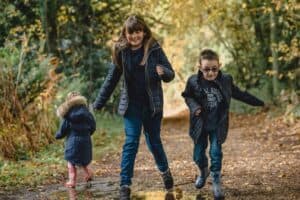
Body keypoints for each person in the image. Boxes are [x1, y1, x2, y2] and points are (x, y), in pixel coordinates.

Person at [93, 15, 175, 200]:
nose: (135, 36)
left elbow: (171, 73)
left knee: (154, 141)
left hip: (153, 106)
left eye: (138, 31)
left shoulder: (154, 49)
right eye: (131, 32)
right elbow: (111, 79)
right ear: (125, 33)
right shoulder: (121, 52)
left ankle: (165, 172)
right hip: (132, 107)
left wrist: (164, 73)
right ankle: (125, 185)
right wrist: (98, 103)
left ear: (144, 32)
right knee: (131, 143)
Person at [182, 49, 265, 199]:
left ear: (219, 66)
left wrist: (259, 102)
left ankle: (216, 181)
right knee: (198, 155)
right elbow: (187, 96)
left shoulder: (226, 80)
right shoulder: (193, 81)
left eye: (214, 69)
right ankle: (203, 171)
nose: (211, 72)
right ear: (199, 67)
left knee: (215, 152)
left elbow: (240, 93)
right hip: (200, 124)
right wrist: (195, 108)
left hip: (218, 124)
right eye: (206, 69)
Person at [56, 91, 96, 188]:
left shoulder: (68, 114)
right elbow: (93, 126)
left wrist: (58, 135)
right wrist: (88, 133)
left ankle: (72, 181)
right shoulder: (87, 113)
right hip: (86, 140)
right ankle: (89, 173)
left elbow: (63, 129)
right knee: (85, 161)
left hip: (72, 141)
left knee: (71, 163)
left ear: (68, 101)